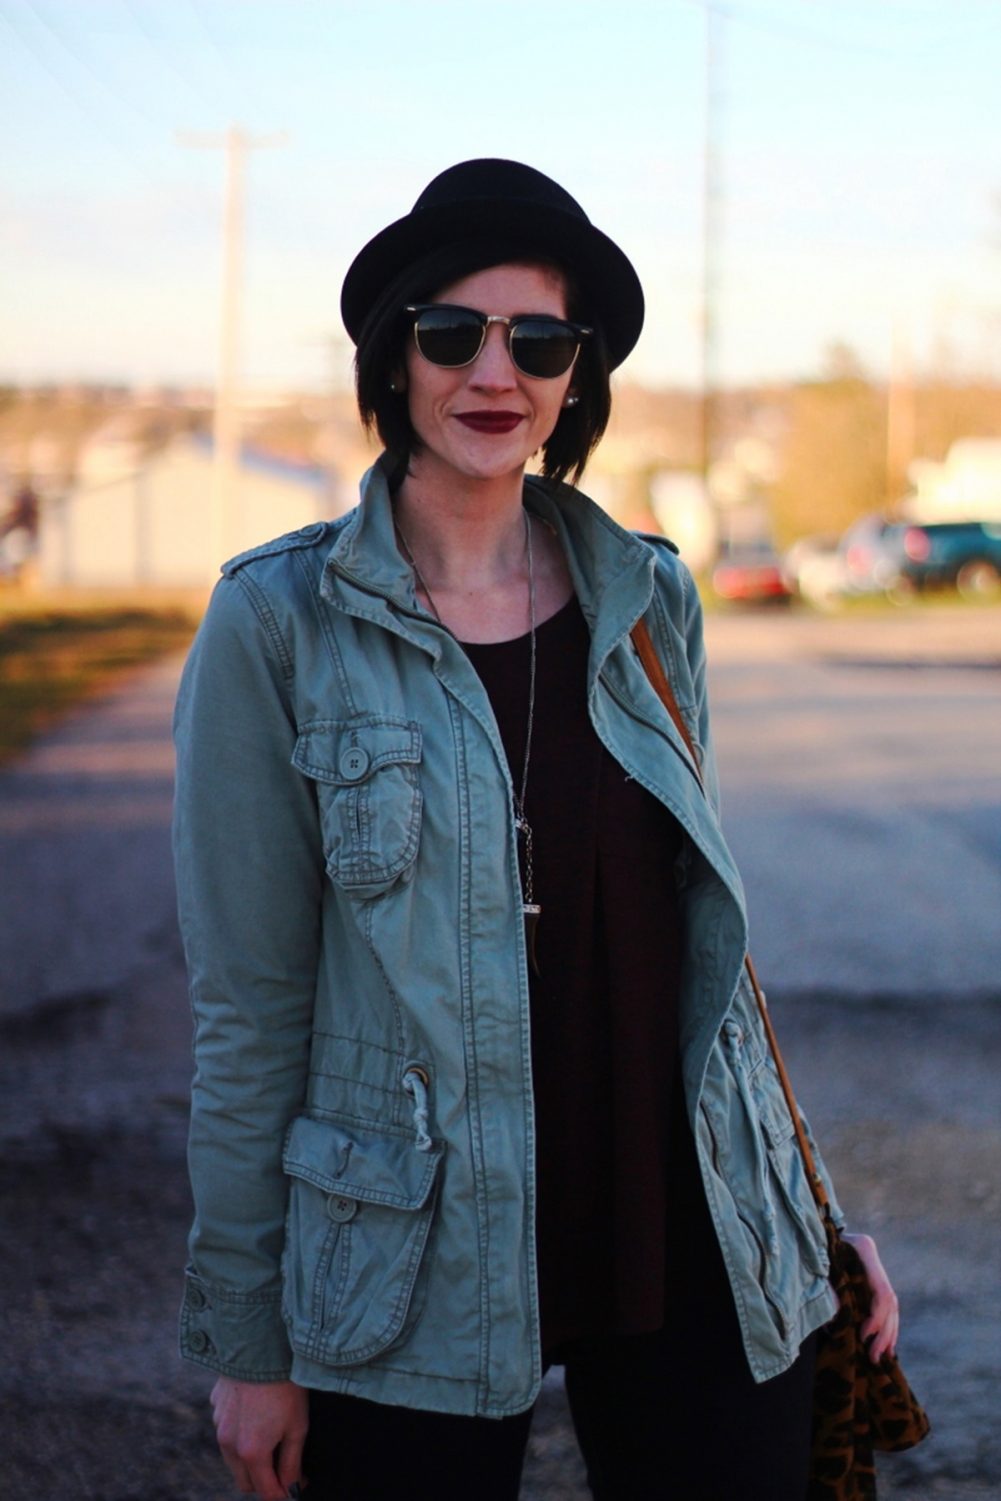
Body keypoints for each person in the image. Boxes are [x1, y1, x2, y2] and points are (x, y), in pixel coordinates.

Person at [173, 159, 899, 1501]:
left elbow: (712, 954)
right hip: (411, 1261)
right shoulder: (275, 627)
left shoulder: (649, 597)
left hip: (678, 1221)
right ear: (395, 360)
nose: (492, 371)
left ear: (576, 378)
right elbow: (249, 1004)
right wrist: (247, 1337)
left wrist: (806, 1213)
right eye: (451, 332)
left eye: (539, 340)